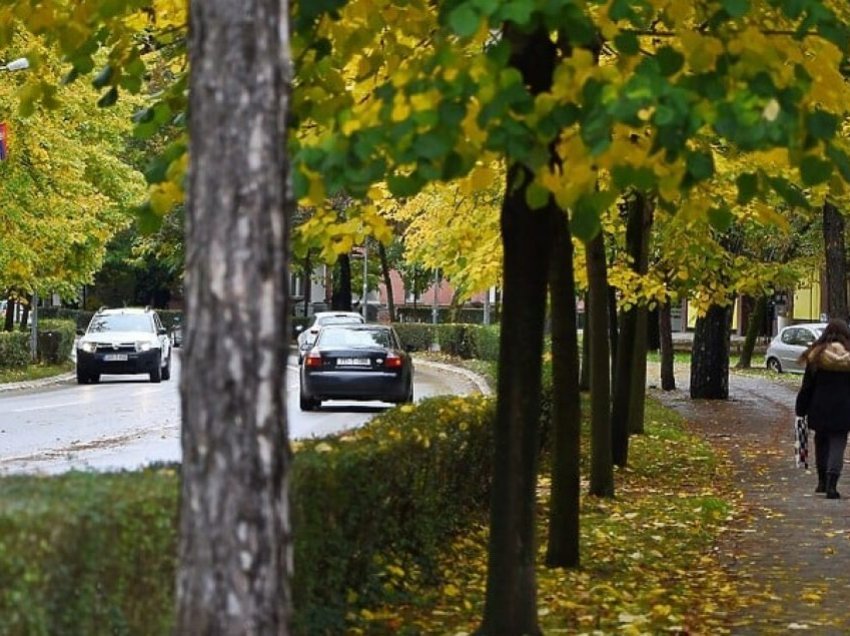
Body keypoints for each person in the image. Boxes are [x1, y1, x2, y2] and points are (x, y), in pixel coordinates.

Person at [795, 319, 850, 499]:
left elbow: (807, 387)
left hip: (819, 407)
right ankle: (832, 484)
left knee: (821, 442)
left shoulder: (816, 357)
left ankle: (821, 482)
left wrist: (800, 408)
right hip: (844, 409)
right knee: (837, 444)